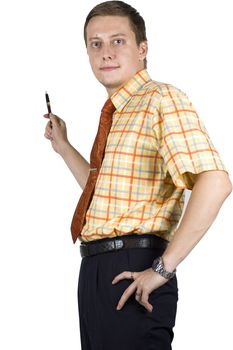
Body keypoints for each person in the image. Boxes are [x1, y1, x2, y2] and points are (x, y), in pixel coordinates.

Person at [43, 1, 232, 349]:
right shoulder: (119, 112)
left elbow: (215, 182)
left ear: (142, 48)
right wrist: (64, 147)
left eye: (118, 41)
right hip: (97, 271)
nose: (105, 53)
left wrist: (162, 269)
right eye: (95, 43)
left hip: (133, 267)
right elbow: (102, 193)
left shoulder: (161, 99)